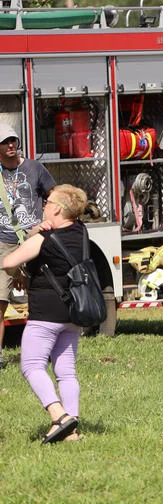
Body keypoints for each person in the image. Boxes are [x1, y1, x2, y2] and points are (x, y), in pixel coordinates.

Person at [1, 184, 107, 444]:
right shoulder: (81, 231)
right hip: (72, 313)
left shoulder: (44, 239)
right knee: (66, 372)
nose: (44, 206)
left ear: (58, 209)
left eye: (48, 202)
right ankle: (72, 429)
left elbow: (8, 262)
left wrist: (36, 232)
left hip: (45, 314)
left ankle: (58, 415)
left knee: (31, 365)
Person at [0, 123, 56, 369]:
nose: (11, 145)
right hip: (4, 244)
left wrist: (50, 221)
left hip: (34, 241)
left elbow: (55, 196)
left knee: (43, 300)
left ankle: (46, 353)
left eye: (14, 140)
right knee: (1, 302)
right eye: (6, 142)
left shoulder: (35, 168)